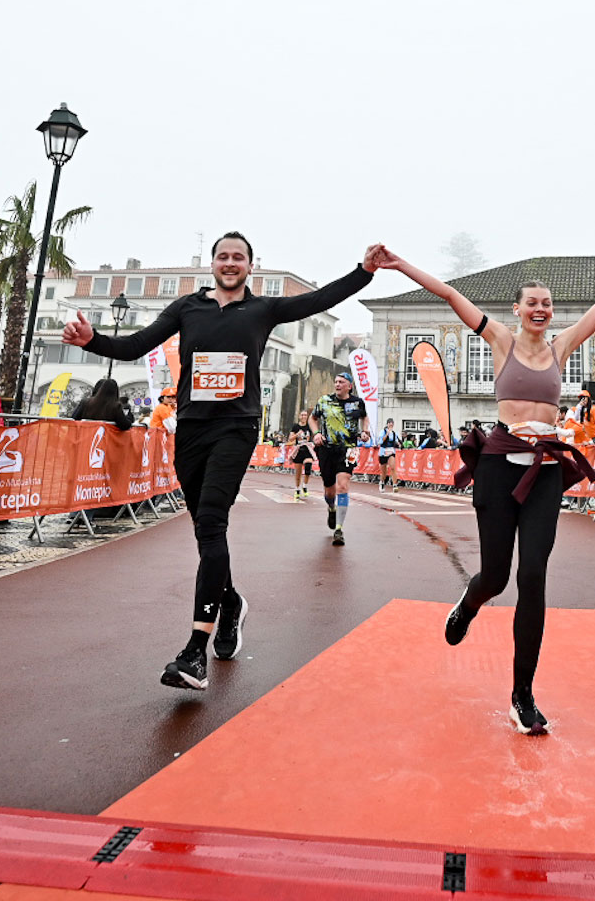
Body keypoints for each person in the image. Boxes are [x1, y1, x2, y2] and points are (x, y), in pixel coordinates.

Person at [62, 232, 380, 693]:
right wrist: (93, 341)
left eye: (239, 257)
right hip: (192, 429)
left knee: (212, 522)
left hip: (236, 428)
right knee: (204, 530)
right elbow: (135, 345)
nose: (230, 263)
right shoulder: (187, 308)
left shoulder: (263, 309)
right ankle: (230, 604)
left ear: (251, 266)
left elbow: (319, 300)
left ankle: (195, 651)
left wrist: (363, 272)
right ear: (212, 264)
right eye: (223, 256)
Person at [372, 237, 595, 736]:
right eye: (532, 303)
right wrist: (399, 265)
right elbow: (449, 294)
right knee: (496, 577)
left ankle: (523, 694)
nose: (540, 309)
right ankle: (469, 603)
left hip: (545, 471)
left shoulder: (562, 345)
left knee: (534, 576)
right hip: (500, 466)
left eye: (547, 304)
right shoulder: (501, 339)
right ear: (517, 310)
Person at [310, 372, 368, 545]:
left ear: (349, 386)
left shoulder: (357, 403)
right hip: (327, 449)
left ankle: (339, 529)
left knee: (343, 486)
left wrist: (365, 431)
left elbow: (364, 416)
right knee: (329, 490)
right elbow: (313, 418)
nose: (337, 384)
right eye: (335, 381)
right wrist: (316, 433)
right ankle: (331, 508)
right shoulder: (324, 401)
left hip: (348, 449)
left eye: (341, 382)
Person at [288, 408, 316, 501]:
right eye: (302, 415)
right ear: (299, 416)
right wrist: (297, 434)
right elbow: (290, 439)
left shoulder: (309, 426)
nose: (304, 417)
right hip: (299, 449)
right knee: (298, 473)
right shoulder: (295, 426)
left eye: (305, 415)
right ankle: (297, 489)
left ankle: (305, 485)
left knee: (308, 465)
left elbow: (314, 434)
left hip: (307, 449)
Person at [378, 417, 402, 491]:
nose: (391, 426)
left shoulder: (394, 433)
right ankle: (382, 482)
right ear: (387, 424)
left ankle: (395, 485)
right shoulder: (383, 431)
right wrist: (387, 434)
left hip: (391, 451)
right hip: (383, 452)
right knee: (384, 471)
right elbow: (380, 442)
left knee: (393, 467)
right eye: (390, 424)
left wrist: (399, 444)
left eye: (392, 424)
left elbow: (396, 441)